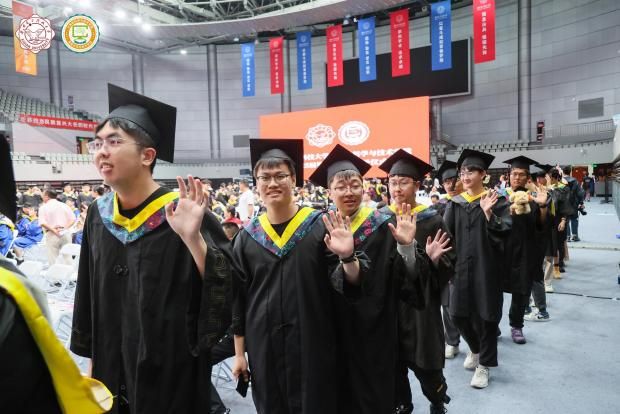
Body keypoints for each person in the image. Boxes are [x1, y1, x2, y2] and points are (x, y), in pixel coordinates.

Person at [70, 84, 235, 414]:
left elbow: (229, 289)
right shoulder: (99, 215)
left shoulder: (183, 211)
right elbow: (87, 289)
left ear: (147, 156)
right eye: (97, 143)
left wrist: (194, 240)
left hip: (170, 371)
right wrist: (92, 359)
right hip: (111, 365)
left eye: (114, 141)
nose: (101, 151)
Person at [231, 139, 365, 414]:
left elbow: (350, 284)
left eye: (280, 176)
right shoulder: (247, 238)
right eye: (265, 177)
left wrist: (348, 257)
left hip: (313, 343)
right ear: (256, 183)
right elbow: (238, 298)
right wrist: (239, 353)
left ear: (293, 179)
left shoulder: (320, 226)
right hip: (264, 347)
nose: (272, 183)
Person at [309, 145, 432, 414]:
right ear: (329, 192)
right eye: (341, 187)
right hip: (333, 330)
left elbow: (408, 281)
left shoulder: (383, 224)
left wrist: (407, 248)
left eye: (355, 185)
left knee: (379, 397)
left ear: (364, 188)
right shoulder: (317, 229)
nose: (349, 192)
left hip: (378, 329)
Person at [0, 135, 113, 414]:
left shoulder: (11, 292)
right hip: (66, 235)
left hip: (54, 237)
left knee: (57, 262)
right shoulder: (15, 288)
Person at [379, 150, 455, 414]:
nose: (397, 188)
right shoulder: (380, 218)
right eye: (392, 182)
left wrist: (433, 262)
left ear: (417, 185)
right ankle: (401, 405)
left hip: (421, 307)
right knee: (392, 364)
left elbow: (449, 261)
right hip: (389, 306)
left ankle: (437, 401)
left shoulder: (432, 219)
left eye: (404, 182)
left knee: (427, 366)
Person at [443, 149, 512, 389]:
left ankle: (484, 365)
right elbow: (447, 237)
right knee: (457, 314)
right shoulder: (455, 203)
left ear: (483, 174)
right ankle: (475, 348)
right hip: (461, 268)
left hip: (487, 269)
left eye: (470, 171)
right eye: (462, 172)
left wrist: (489, 214)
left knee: (487, 317)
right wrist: (448, 267)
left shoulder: (497, 200)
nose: (465, 176)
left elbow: (507, 233)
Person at [500, 157, 549, 344]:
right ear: (509, 176)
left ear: (528, 178)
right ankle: (492, 324)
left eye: (522, 174)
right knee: (494, 290)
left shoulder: (534, 199)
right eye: (514, 174)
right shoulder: (499, 198)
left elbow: (541, 225)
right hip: (502, 252)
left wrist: (543, 206)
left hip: (525, 253)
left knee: (521, 292)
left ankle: (517, 326)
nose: (517, 178)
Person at [434, 160, 462, 360]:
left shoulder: (475, 203)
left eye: (454, 179)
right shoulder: (438, 207)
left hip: (470, 260)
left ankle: (478, 345)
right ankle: (452, 341)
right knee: (447, 304)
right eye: (446, 182)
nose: (451, 185)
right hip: (446, 261)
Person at [38, 189, 75, 265]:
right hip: (65, 233)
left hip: (52, 233)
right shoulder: (64, 205)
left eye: (43, 195)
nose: (41, 196)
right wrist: (64, 228)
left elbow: (42, 223)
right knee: (68, 257)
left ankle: (55, 273)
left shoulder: (43, 207)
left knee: (53, 258)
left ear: (46, 196)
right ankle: (70, 272)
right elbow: (73, 219)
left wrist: (54, 230)